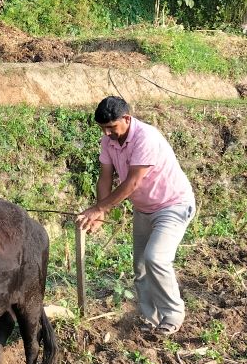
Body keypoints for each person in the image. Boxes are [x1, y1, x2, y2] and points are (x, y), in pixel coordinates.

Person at [76, 96, 195, 336]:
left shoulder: (146, 137)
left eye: (112, 127)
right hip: (144, 209)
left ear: (127, 119)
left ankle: (173, 313)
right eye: (103, 128)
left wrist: (101, 209)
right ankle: (150, 318)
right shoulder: (108, 142)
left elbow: (132, 182)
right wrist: (100, 209)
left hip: (173, 206)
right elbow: (106, 176)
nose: (107, 133)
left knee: (156, 258)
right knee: (140, 266)